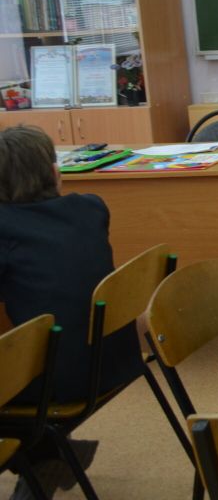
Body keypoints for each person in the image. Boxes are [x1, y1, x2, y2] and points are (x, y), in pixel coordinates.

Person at [0, 126, 142, 497]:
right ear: (54, 172)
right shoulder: (91, 207)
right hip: (112, 360)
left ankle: (44, 458)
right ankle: (50, 455)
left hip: (58, 380)